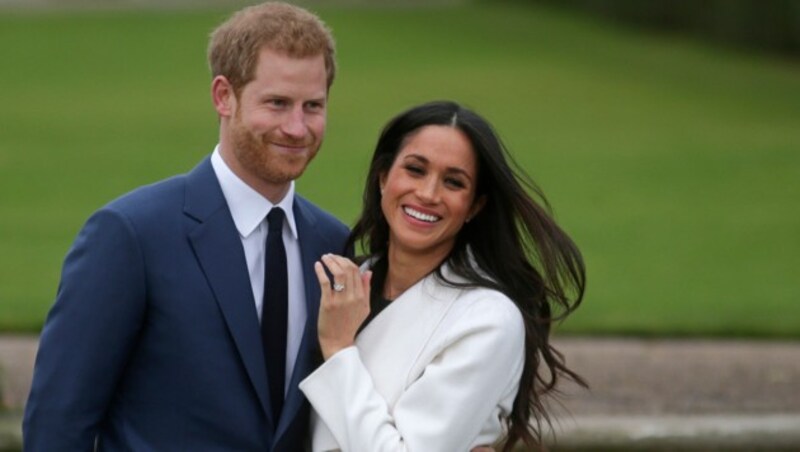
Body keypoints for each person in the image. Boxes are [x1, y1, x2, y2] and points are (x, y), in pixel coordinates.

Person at [22, 2, 347, 450]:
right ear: (223, 96)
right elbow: (58, 424)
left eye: (313, 106)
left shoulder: (334, 246)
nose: (297, 127)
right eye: (277, 103)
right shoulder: (131, 236)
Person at [298, 100, 587, 451]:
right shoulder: (345, 285)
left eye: (453, 182)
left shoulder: (488, 320)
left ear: (474, 206)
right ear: (383, 177)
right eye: (415, 170)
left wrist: (340, 350)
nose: (428, 194)